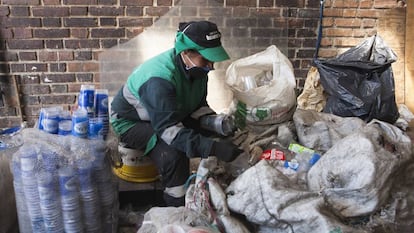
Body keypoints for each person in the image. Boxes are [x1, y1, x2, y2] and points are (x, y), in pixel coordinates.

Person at [110, 20, 244, 207]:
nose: (210, 66)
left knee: (211, 138)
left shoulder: (197, 71)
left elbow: (197, 106)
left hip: (165, 115)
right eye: (205, 59)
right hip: (131, 122)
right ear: (185, 52)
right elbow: (170, 131)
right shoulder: (159, 80)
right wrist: (212, 148)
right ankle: (178, 205)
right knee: (174, 152)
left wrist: (216, 125)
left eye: (212, 59)